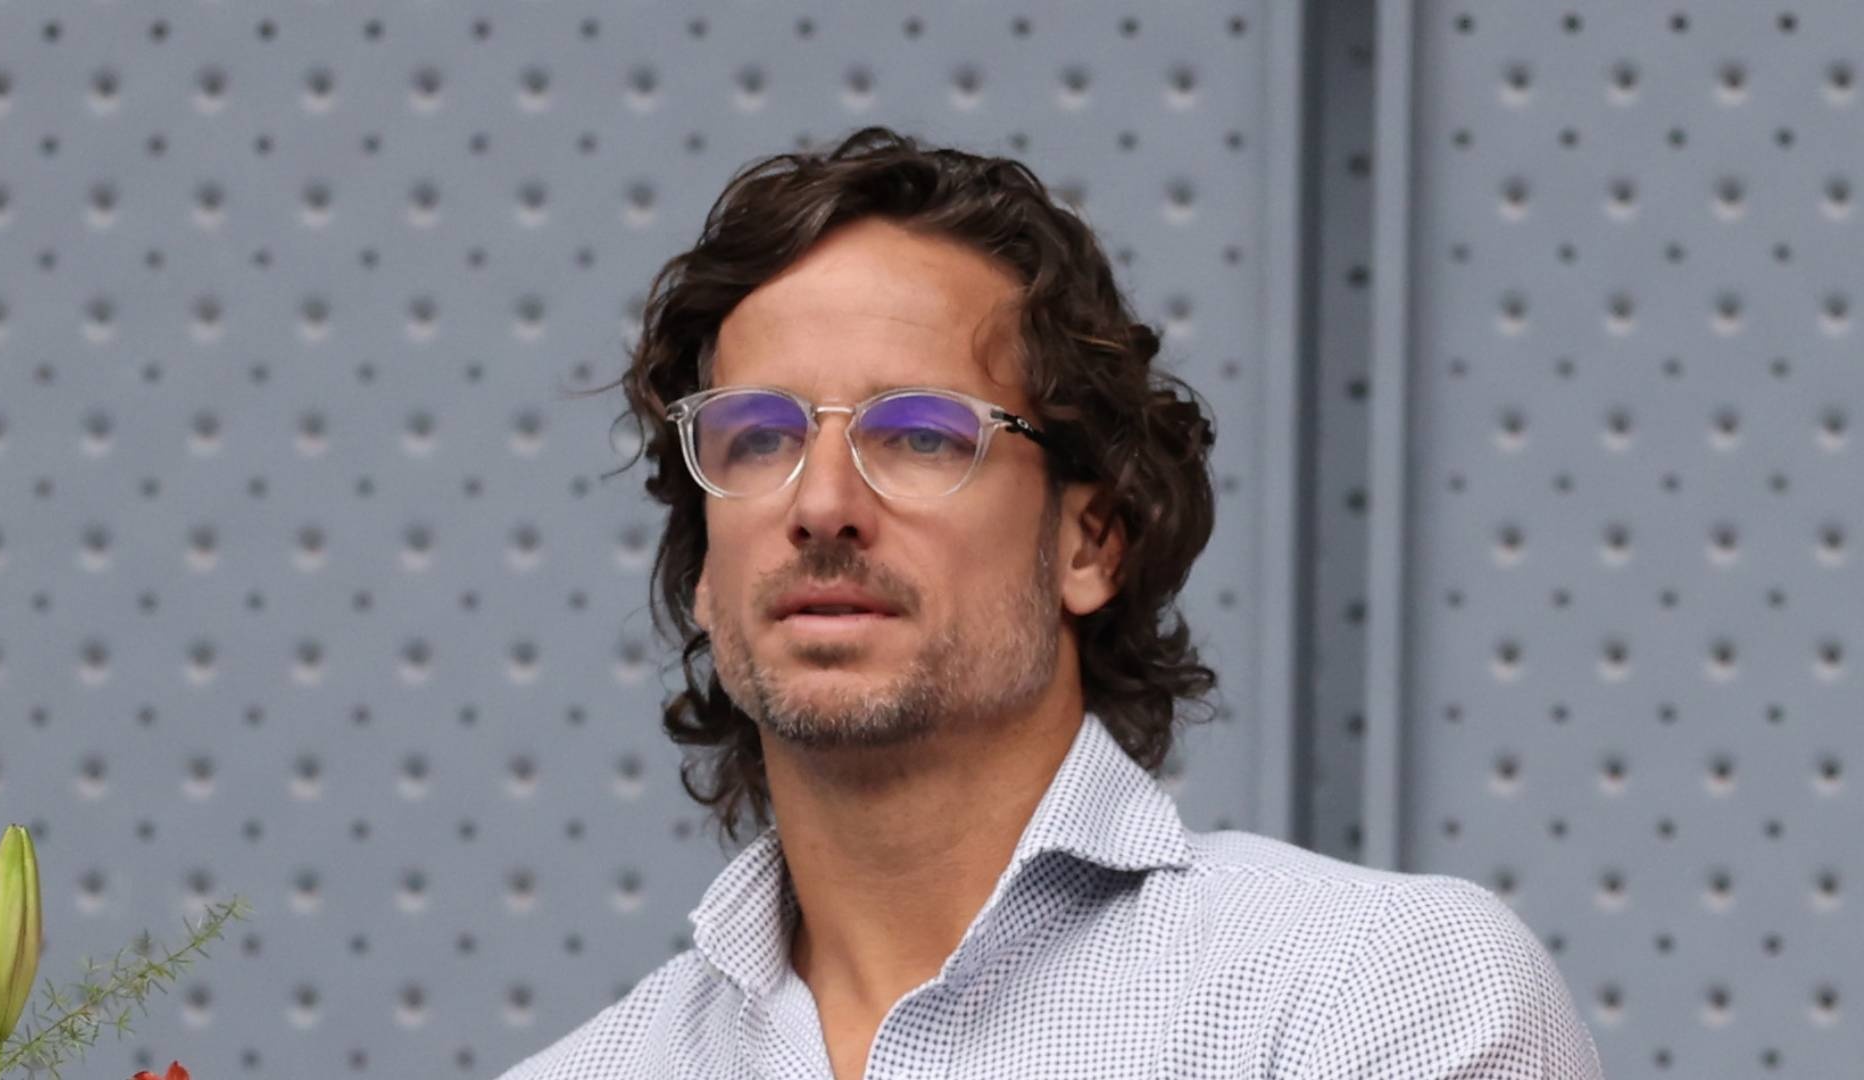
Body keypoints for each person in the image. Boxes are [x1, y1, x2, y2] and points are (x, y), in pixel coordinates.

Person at [499, 126, 1604, 1080]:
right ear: (705, 564)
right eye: (758, 438)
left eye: (921, 435)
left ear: (1090, 542)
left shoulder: (1373, 996)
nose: (821, 504)